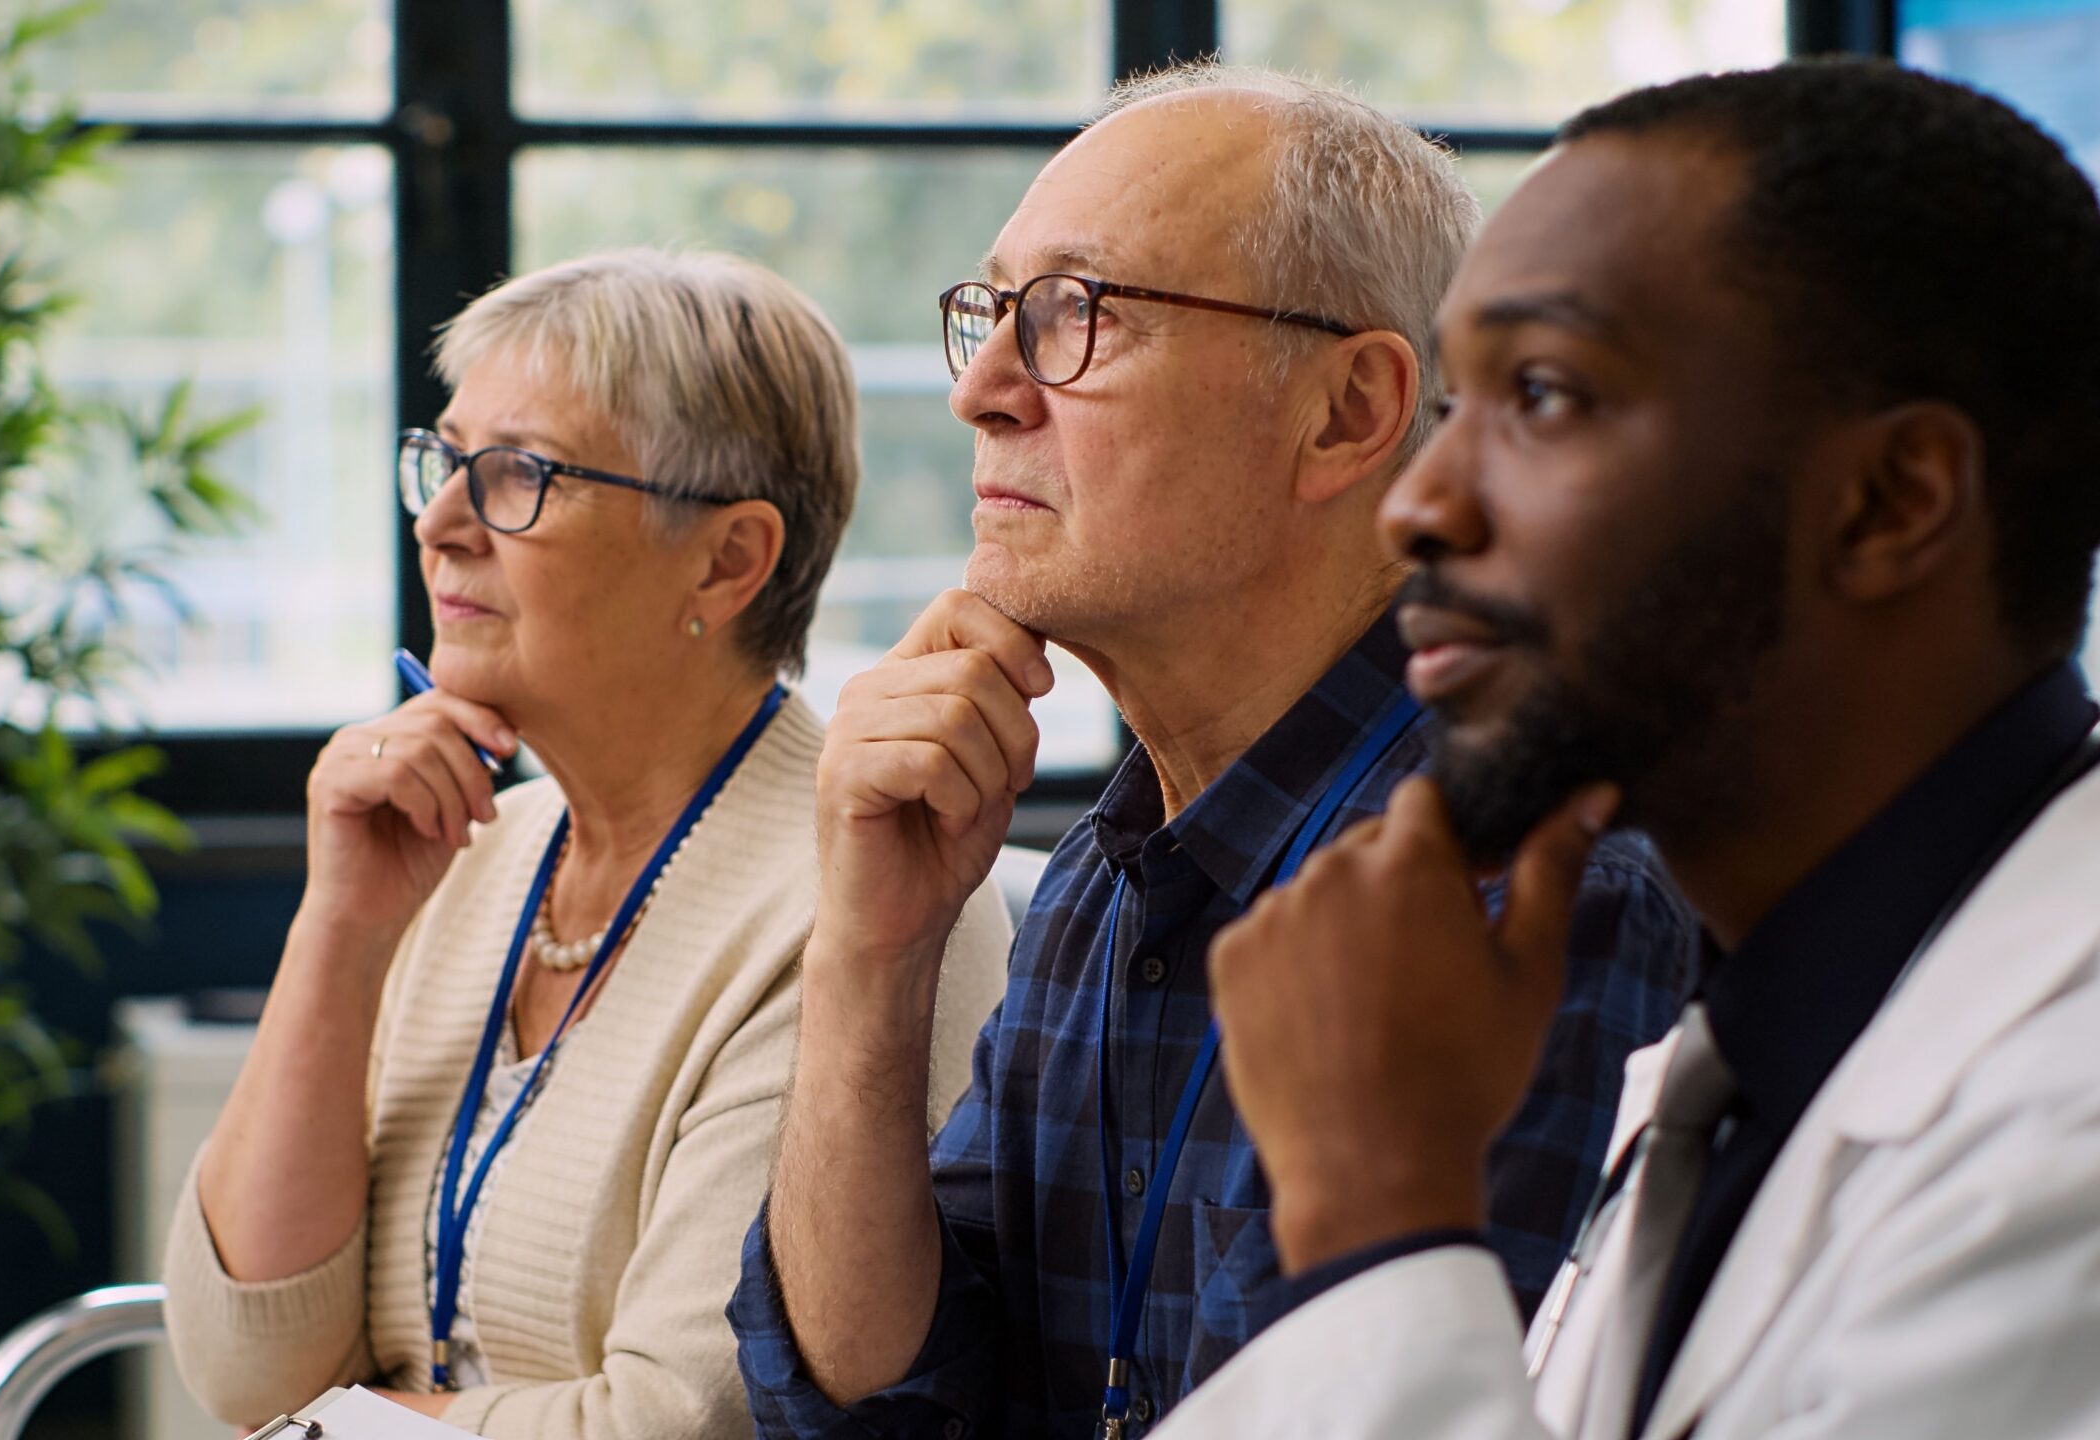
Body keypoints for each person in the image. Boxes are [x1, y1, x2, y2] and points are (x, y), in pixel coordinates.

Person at [1162, 59, 2100, 1440]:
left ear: (1889, 503)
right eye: (1457, 407)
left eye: (1543, 392)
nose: (1419, 503)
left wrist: (1377, 1211)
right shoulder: (1766, 1033)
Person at [729, 65, 1700, 1439]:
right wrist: (872, 957)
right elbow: (867, 1413)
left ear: (1350, 414)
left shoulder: (1529, 885)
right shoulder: (1104, 878)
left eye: (1078, 316)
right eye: (993, 315)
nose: (986, 394)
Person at [160, 248, 1010, 1440]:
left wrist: (345, 1423)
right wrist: (341, 928)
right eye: (444, 463)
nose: (443, 523)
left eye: (516, 477)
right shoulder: (466, 856)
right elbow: (245, 1370)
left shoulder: (869, 899)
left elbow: (684, 1421)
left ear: (728, 558)